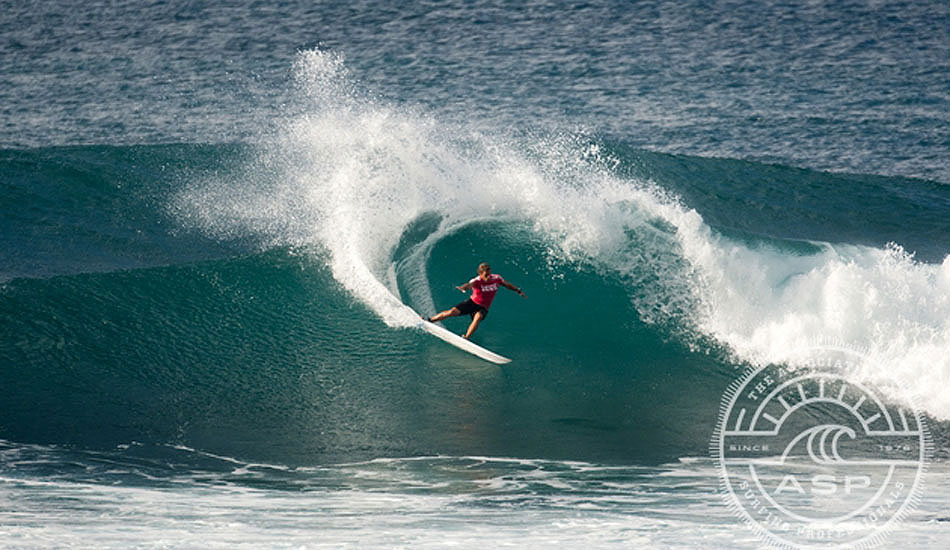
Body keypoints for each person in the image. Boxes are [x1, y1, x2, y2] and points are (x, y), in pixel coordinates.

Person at [426, 262, 526, 339]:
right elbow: (469, 285)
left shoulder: (496, 278)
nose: (488, 277)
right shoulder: (477, 281)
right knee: (452, 312)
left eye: (489, 274)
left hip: (483, 307)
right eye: (486, 275)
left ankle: (466, 337)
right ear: (480, 274)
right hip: (472, 303)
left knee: (477, 317)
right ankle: (430, 320)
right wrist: (464, 287)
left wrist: (518, 290)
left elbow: (506, 284)